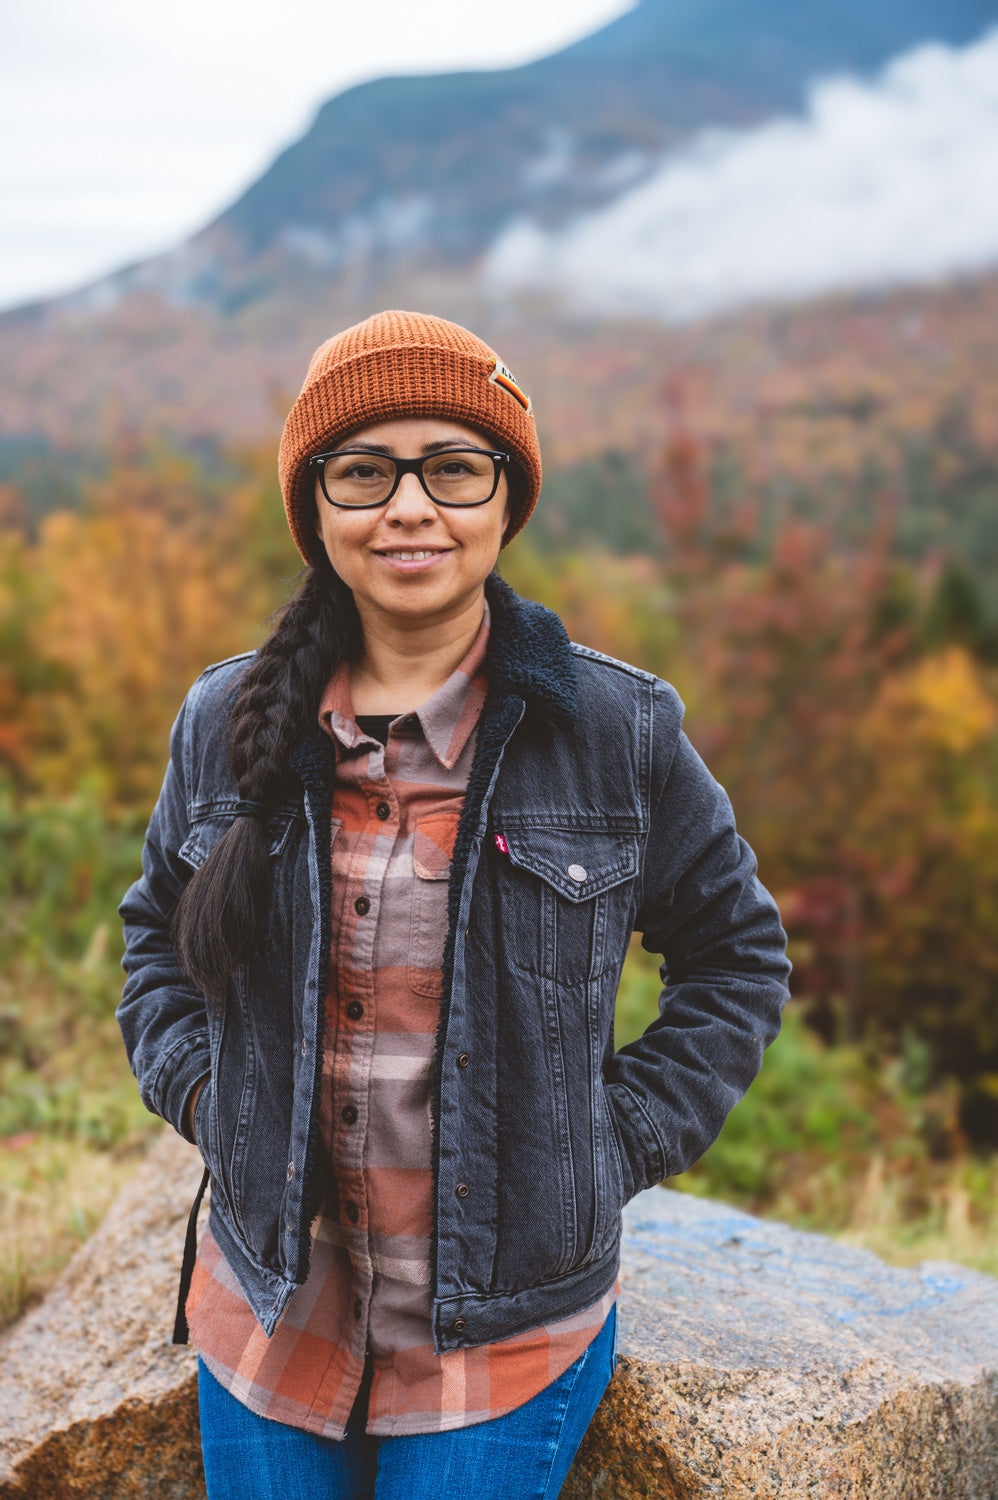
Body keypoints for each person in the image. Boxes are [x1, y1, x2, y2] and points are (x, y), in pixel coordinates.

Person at [117, 309, 790, 1500]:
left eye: (453, 467)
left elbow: (734, 957)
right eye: (365, 471)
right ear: (316, 505)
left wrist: (604, 1142)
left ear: (503, 499)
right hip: (273, 1312)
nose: (410, 507)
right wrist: (213, 1101)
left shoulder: (614, 730)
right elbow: (153, 942)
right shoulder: (225, 724)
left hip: (508, 1334)